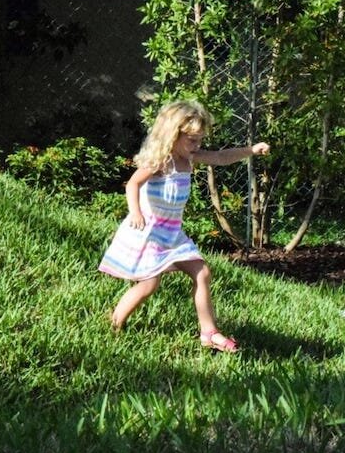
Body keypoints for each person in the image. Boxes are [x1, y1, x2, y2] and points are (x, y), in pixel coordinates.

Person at [98, 100, 270, 352]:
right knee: (148, 285)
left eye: (199, 139)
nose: (197, 145)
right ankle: (113, 324)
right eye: (191, 139)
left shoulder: (190, 158)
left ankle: (209, 332)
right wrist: (135, 212)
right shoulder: (161, 162)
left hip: (172, 234)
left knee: (202, 273)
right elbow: (132, 184)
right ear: (172, 135)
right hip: (149, 233)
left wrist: (251, 150)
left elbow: (221, 157)